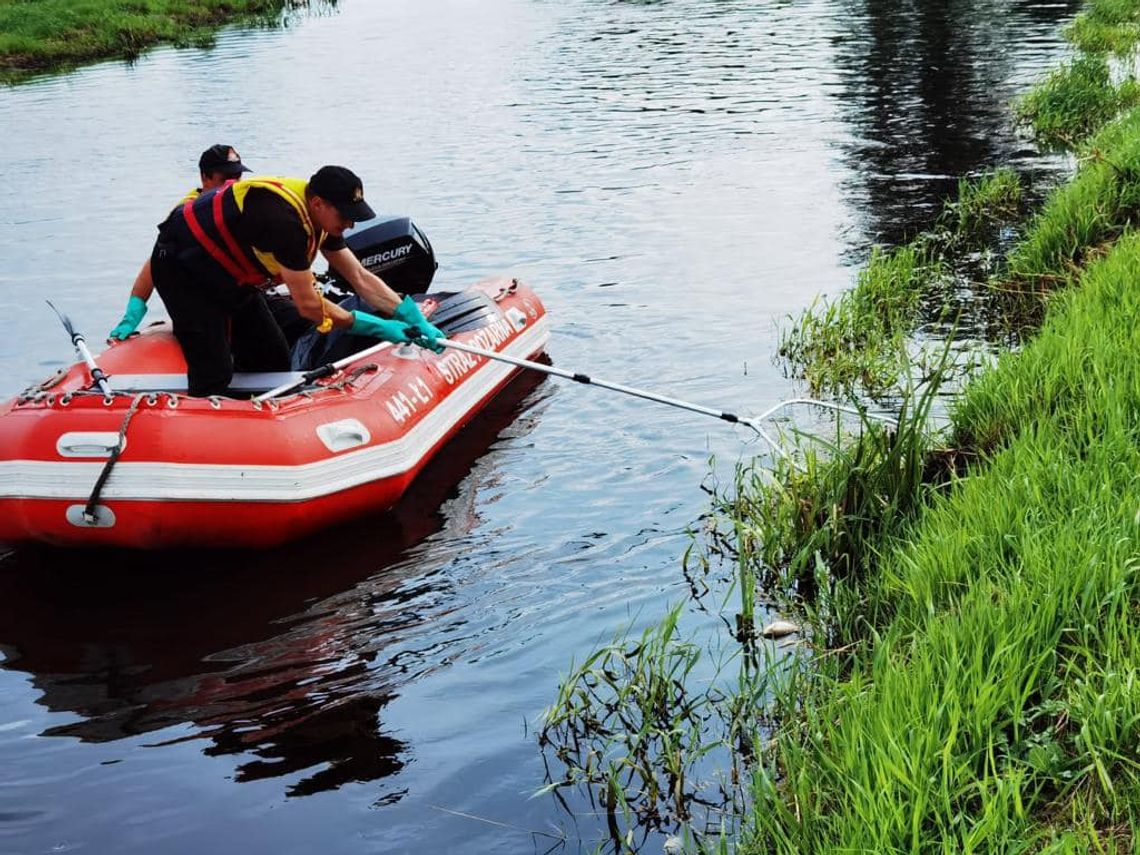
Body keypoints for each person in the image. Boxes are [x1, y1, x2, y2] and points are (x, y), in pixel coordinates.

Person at [148, 164, 443, 397]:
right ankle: (205, 435)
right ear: (318, 203)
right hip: (183, 272)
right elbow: (309, 306)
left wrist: (408, 313)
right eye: (346, 215)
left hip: (230, 276)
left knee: (273, 358)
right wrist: (379, 327)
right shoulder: (285, 224)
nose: (351, 223)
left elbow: (360, 277)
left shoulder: (320, 219)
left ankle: (256, 421)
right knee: (213, 371)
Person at [108, 145, 253, 340]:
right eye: (225, 178)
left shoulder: (239, 204)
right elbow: (155, 263)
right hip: (201, 303)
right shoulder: (186, 214)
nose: (232, 183)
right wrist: (131, 316)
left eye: (237, 177)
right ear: (205, 177)